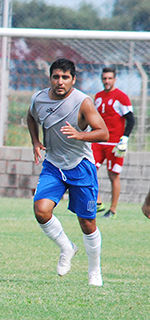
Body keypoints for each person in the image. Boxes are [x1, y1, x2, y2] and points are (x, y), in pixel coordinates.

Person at [26, 58, 109, 286]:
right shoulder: (39, 98)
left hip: (80, 164)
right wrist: (35, 141)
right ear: (50, 78)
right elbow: (31, 118)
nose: (60, 82)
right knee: (41, 210)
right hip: (53, 164)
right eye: (56, 77)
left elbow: (103, 133)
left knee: (87, 222)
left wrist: (80, 134)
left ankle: (94, 271)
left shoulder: (83, 102)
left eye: (65, 77)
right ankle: (66, 247)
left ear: (73, 79)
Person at [92, 67, 135, 219]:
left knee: (113, 176)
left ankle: (113, 210)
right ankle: (97, 203)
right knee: (89, 169)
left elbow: (130, 119)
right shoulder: (97, 96)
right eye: (104, 78)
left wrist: (124, 139)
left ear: (114, 79)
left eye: (110, 78)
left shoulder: (121, 97)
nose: (107, 81)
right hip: (98, 141)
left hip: (114, 143)